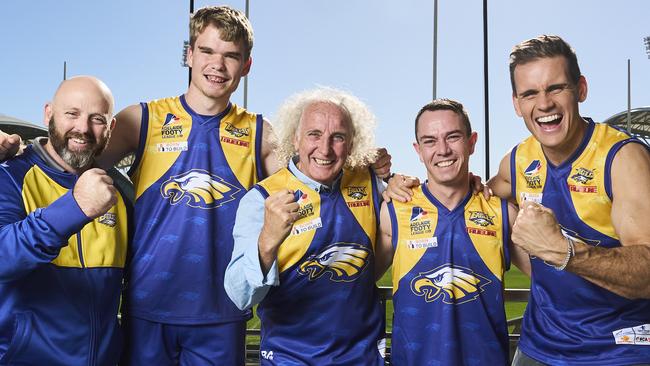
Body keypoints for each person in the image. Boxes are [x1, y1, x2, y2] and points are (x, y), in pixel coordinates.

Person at [486, 35, 650, 365]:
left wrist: (562, 251)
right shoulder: (516, 161)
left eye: (556, 88)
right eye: (530, 93)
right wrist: (386, 180)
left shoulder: (622, 158)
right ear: (517, 104)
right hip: (539, 346)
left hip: (617, 349)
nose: (544, 104)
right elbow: (479, 196)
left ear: (581, 89)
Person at [224, 87, 386, 365]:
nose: (324, 148)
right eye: (314, 134)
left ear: (351, 144)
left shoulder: (370, 184)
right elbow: (239, 296)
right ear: (295, 139)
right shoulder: (262, 198)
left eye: (338, 137)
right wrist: (267, 242)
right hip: (291, 357)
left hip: (362, 357)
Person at [374, 99, 529, 365]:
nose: (443, 150)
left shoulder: (503, 213)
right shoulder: (393, 212)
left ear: (471, 142)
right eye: (430, 141)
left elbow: (553, 283)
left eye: (453, 137)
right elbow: (352, 285)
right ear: (418, 150)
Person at [0, 76, 130, 365]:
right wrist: (74, 208)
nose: (82, 128)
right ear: (49, 113)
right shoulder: (9, 174)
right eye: (71, 113)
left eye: (96, 118)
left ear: (110, 127)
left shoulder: (120, 193)